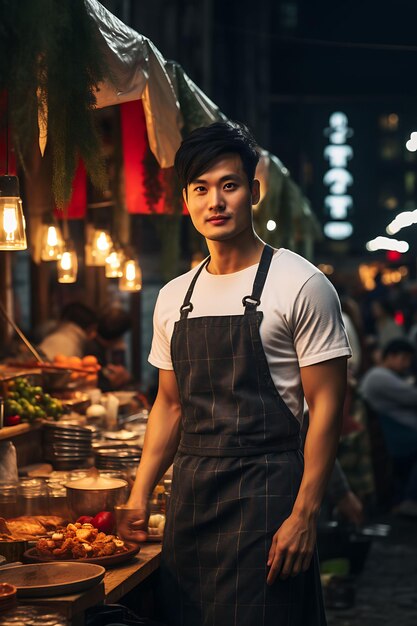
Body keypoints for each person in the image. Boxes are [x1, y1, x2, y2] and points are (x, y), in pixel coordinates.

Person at [119, 121, 351, 626]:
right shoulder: (173, 297)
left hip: (269, 495)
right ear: (186, 200)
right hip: (192, 500)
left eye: (229, 184)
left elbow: (328, 406)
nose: (215, 201)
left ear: (254, 192)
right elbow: (170, 404)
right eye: (200, 188)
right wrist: (139, 494)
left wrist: (305, 514)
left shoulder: (301, 283)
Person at [359, 338, 417, 512]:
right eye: (404, 358)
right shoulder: (378, 376)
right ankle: (411, 499)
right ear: (391, 356)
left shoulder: (384, 375)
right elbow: (412, 396)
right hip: (398, 434)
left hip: (399, 430)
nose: (407, 364)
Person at [84, 304, 132, 391]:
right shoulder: (93, 349)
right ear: (118, 336)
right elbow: (100, 386)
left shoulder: (96, 344)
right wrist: (118, 379)